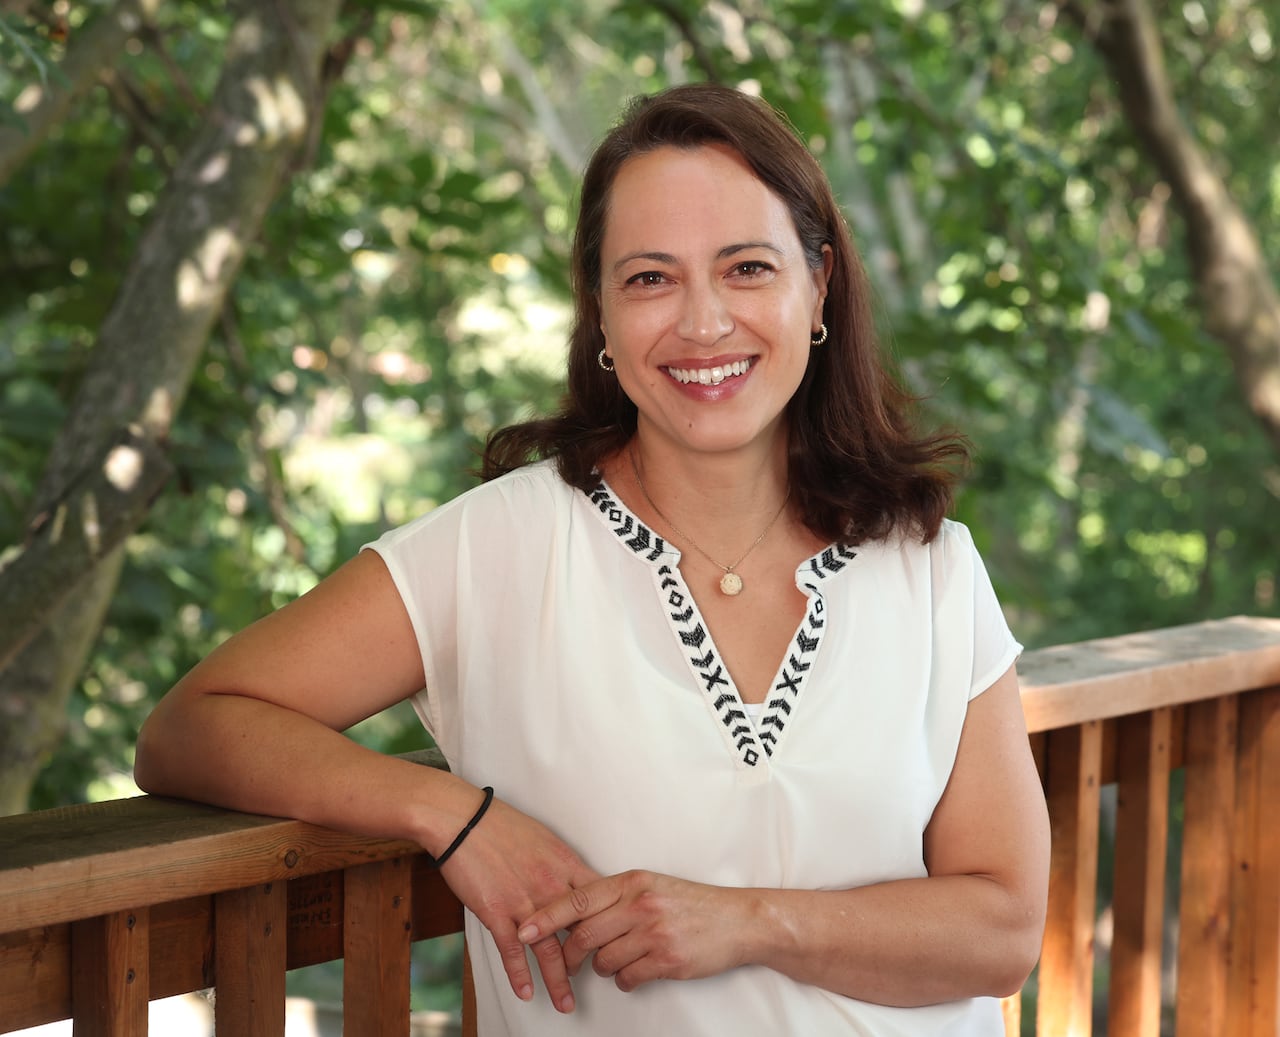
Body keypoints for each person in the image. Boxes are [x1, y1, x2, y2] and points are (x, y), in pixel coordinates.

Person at [135, 82, 1049, 1035]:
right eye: (651, 278)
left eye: (746, 268)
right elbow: (192, 726)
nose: (702, 324)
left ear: (818, 285)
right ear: (600, 311)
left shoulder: (934, 568)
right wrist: (447, 811)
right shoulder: (499, 548)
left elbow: (1001, 931)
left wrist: (749, 922)